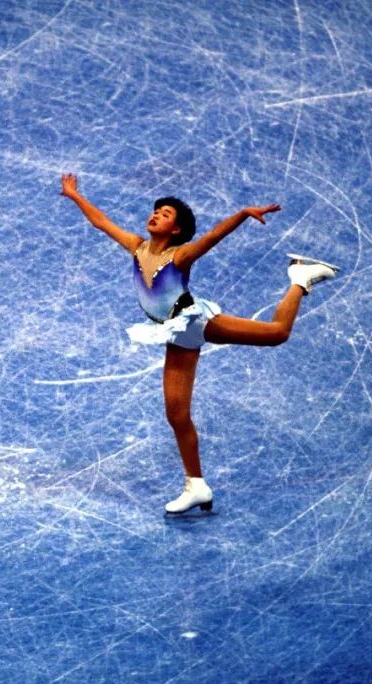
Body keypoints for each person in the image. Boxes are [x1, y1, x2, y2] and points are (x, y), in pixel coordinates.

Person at [59, 173, 339, 514]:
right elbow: (102, 222)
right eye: (156, 210)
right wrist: (74, 195)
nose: (156, 214)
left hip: (196, 323)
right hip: (176, 337)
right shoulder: (136, 246)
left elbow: (212, 237)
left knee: (278, 333)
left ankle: (300, 278)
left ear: (176, 230)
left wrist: (242, 214)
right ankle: (197, 486)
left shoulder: (180, 257)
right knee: (177, 414)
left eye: (165, 214)